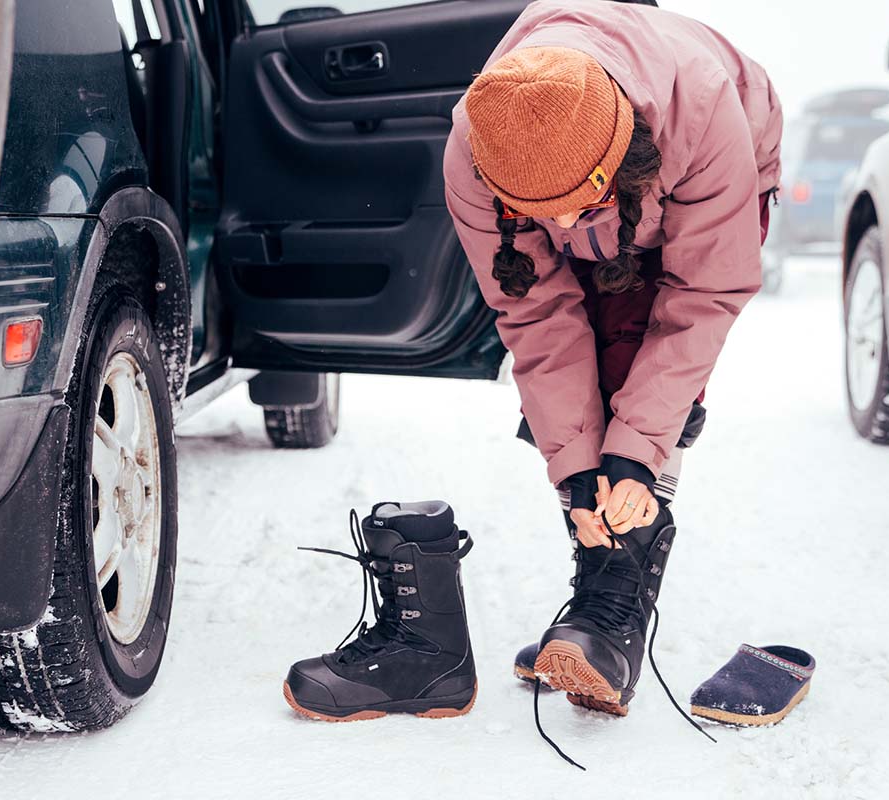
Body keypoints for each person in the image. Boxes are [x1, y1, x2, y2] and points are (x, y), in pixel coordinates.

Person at [282, 0, 781, 762]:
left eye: (583, 208)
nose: (573, 231)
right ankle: (598, 573)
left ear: (620, 164)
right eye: (546, 216)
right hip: (593, 166)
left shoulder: (706, 112)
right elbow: (538, 321)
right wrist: (578, 474)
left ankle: (610, 613)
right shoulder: (475, 152)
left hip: (718, 155)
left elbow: (703, 296)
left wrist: (635, 455)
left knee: (639, 362)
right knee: (583, 413)